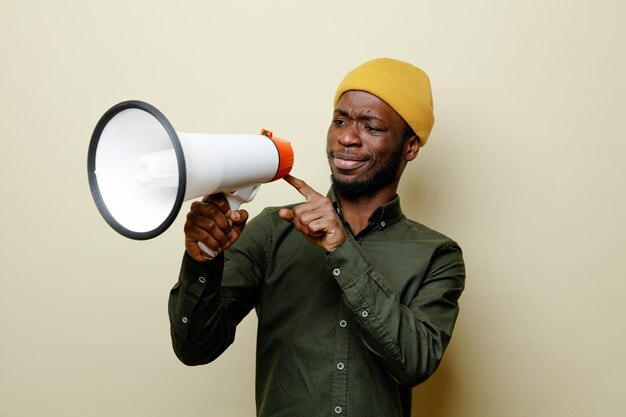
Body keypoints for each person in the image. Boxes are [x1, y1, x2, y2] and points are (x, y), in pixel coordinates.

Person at [168, 58, 466, 417]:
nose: (347, 137)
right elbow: (195, 348)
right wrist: (203, 259)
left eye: (370, 126)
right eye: (340, 120)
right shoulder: (270, 230)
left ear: (411, 146)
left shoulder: (438, 255)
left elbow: (415, 363)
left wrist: (342, 249)